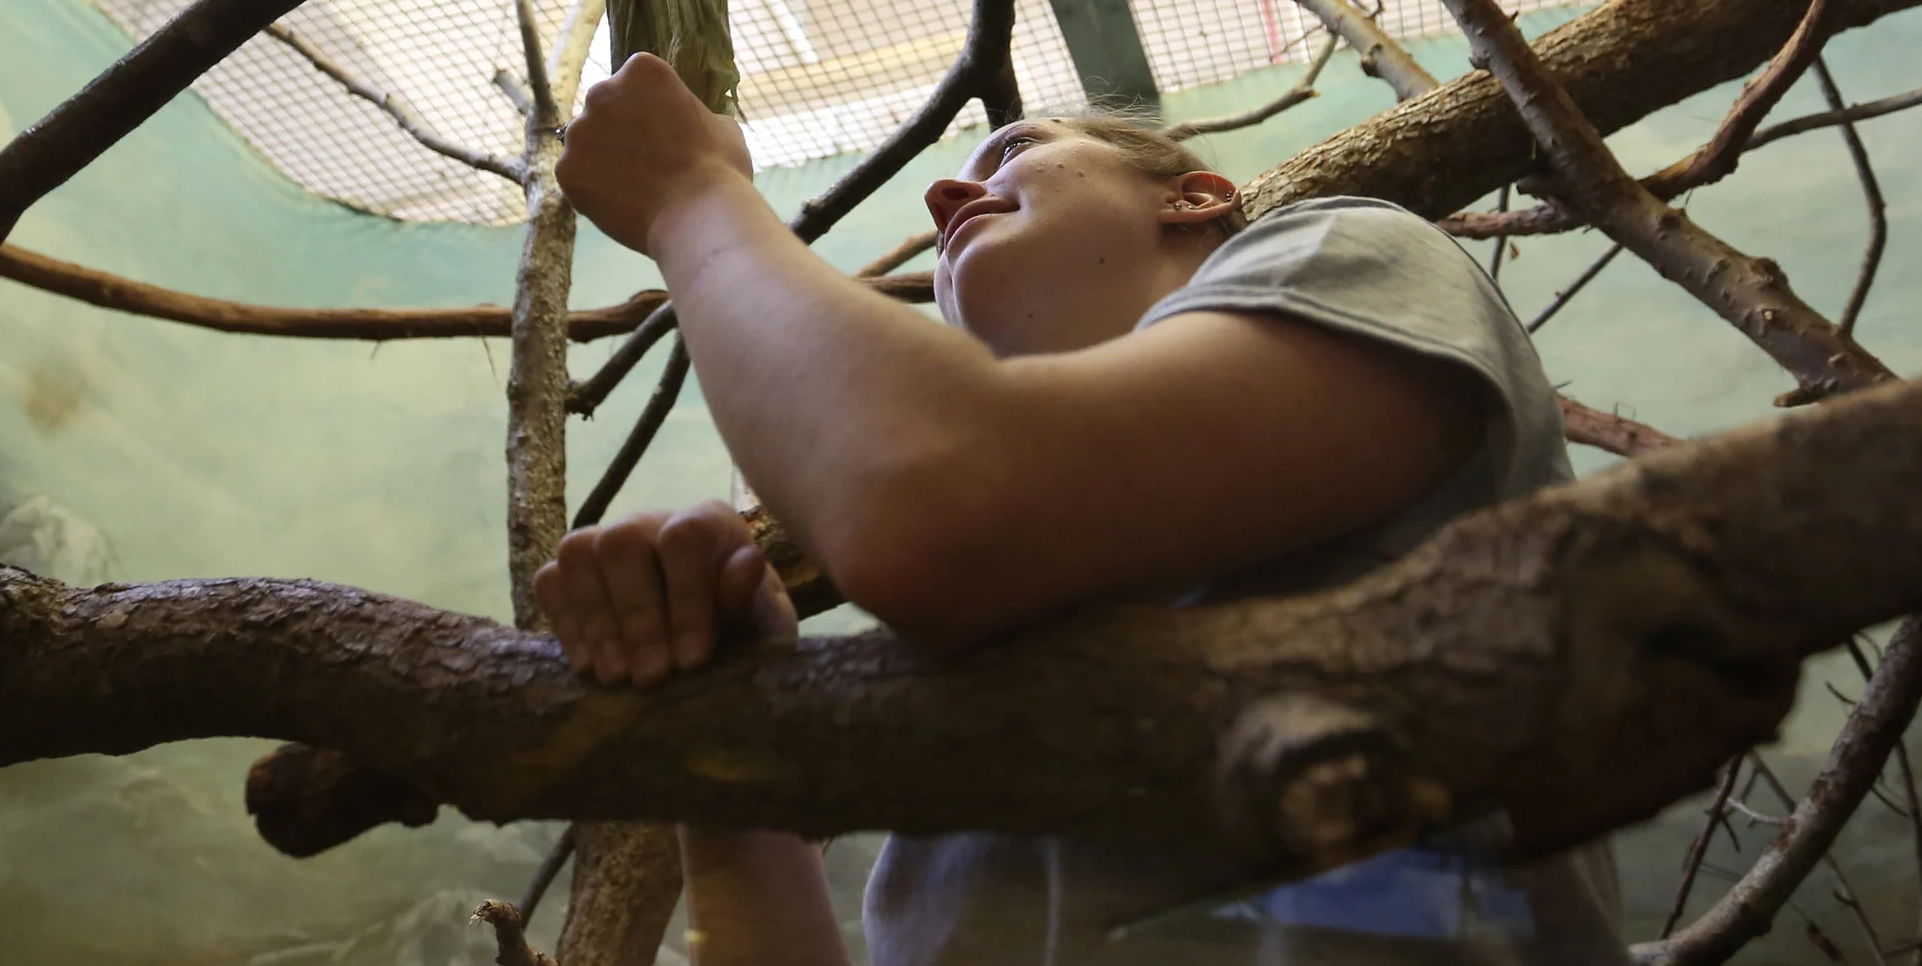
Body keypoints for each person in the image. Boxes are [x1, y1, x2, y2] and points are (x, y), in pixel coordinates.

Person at [536, 52, 1623, 964]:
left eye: (1010, 149)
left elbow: (932, 502)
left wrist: (691, 193)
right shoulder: (971, 674)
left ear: (1192, 196)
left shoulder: (1352, 253)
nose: (946, 198)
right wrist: (728, 757)